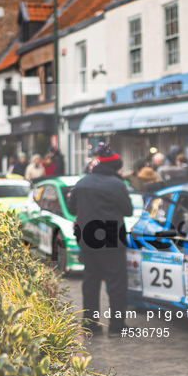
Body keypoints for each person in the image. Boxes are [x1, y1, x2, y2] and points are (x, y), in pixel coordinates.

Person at [67, 143, 133, 337]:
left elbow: (72, 209)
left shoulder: (83, 182)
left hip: (88, 237)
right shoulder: (117, 184)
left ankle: (90, 324)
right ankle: (116, 326)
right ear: (115, 167)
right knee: (117, 284)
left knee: (90, 283)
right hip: (111, 238)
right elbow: (128, 210)